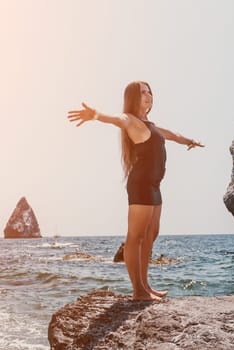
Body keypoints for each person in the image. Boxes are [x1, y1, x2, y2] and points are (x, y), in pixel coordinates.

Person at [67, 81, 204, 301]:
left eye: (150, 91)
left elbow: (173, 135)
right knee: (136, 236)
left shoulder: (151, 125)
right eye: (143, 92)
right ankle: (138, 291)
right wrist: (95, 115)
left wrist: (190, 141)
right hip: (141, 185)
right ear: (133, 97)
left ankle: (146, 286)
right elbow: (116, 120)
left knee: (151, 234)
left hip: (154, 185)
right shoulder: (130, 120)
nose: (148, 95)